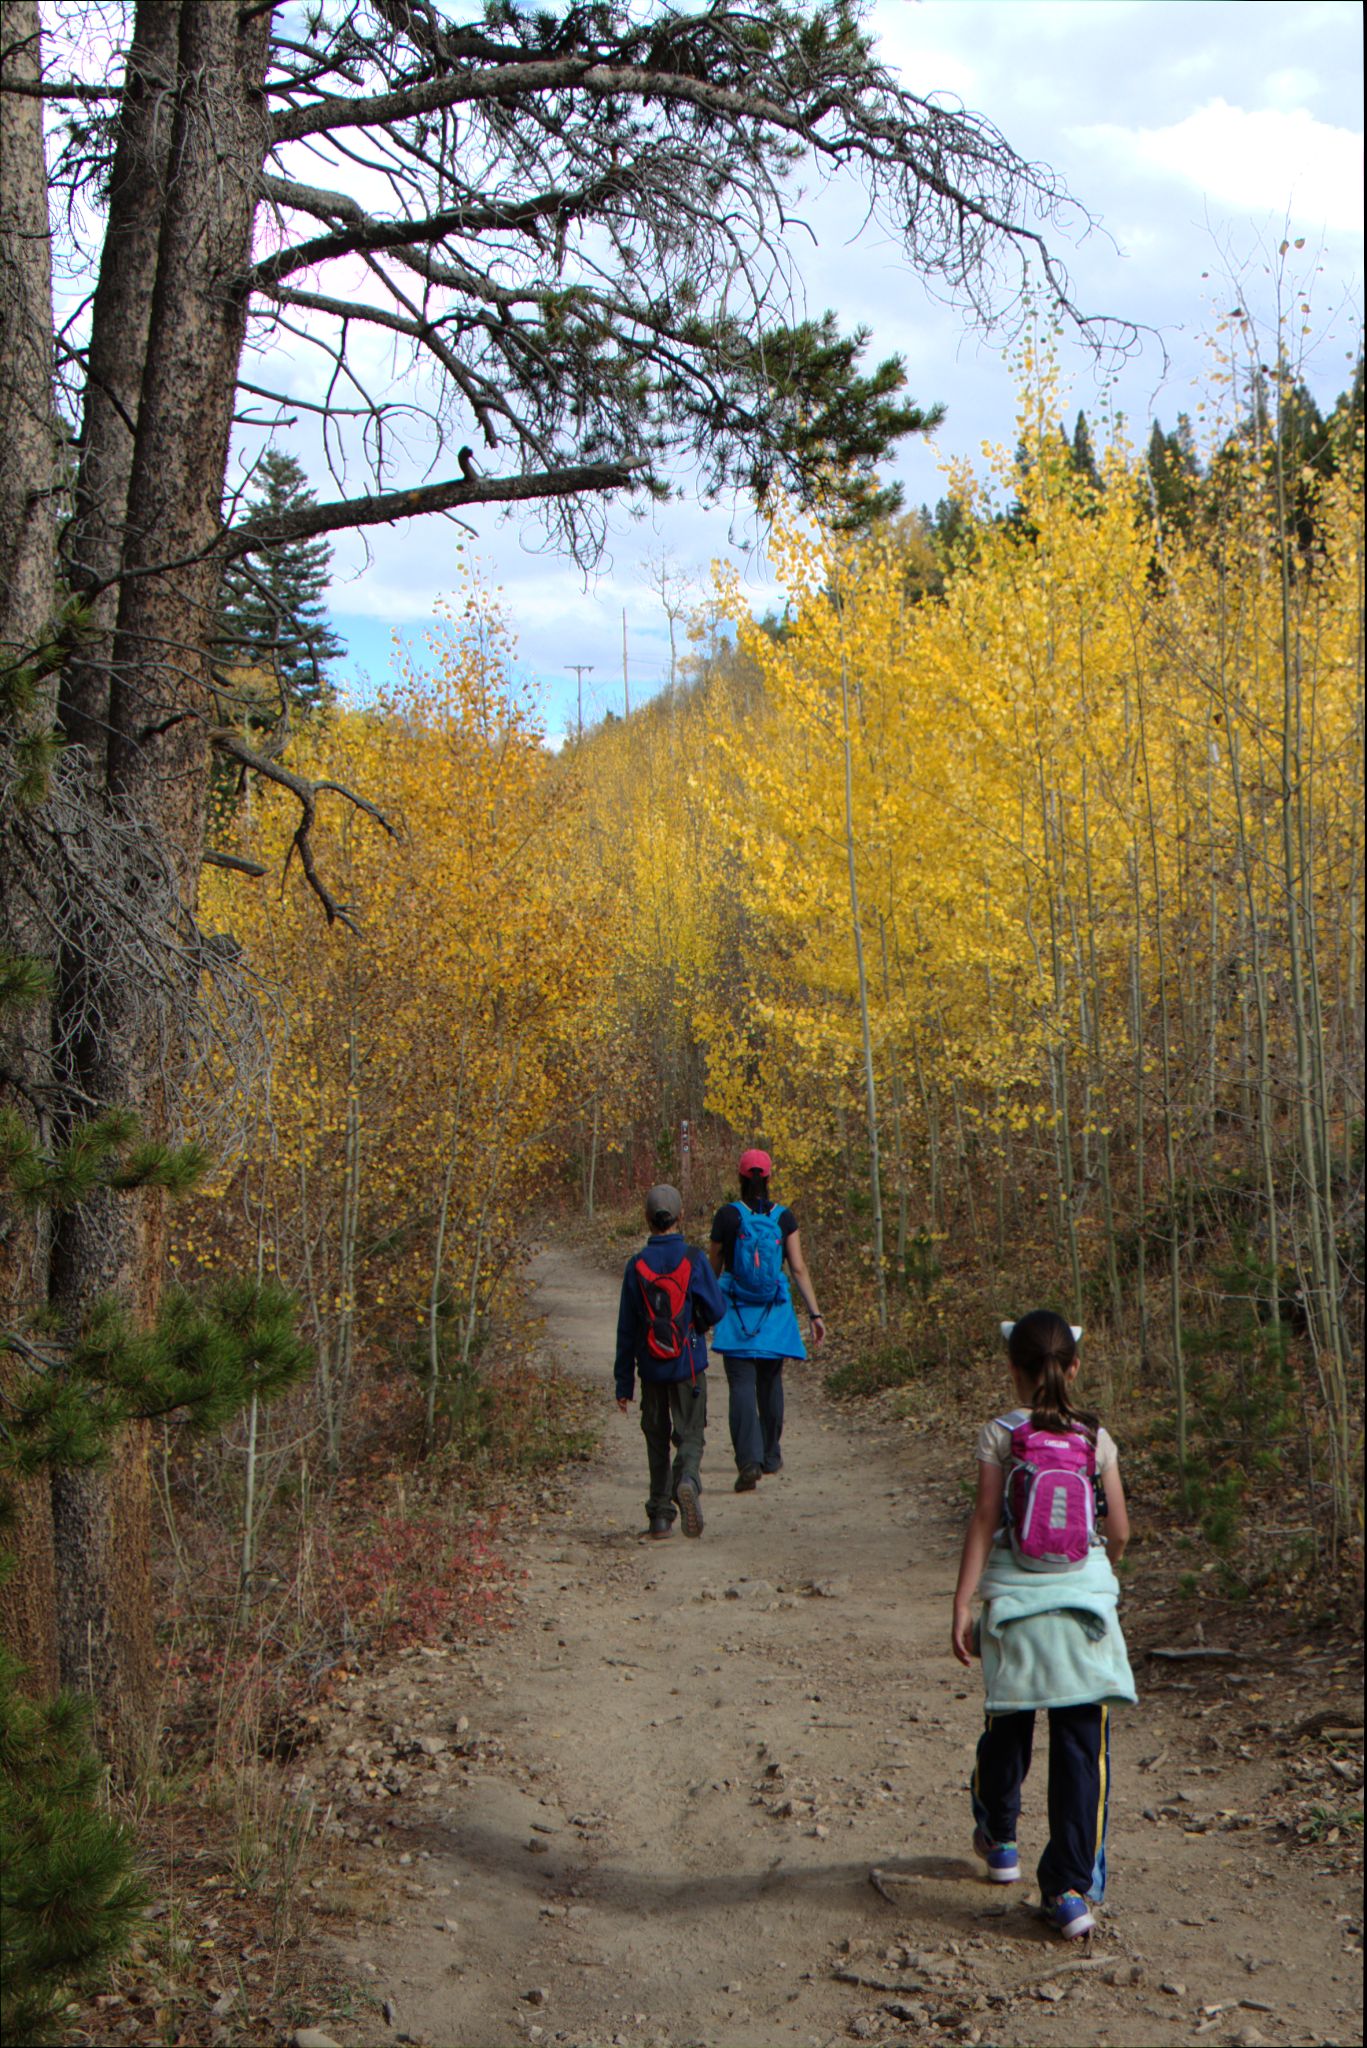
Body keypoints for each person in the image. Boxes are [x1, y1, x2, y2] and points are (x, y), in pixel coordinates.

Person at [950, 1310, 1136, 1940]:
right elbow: (1119, 1532)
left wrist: (963, 1604)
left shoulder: (999, 1433)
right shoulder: (1096, 1437)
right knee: (1083, 1747)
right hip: (1084, 1614)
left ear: (1013, 1371)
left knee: (1008, 1726)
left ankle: (1000, 1840)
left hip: (1013, 1611)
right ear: (1074, 1368)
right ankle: (1069, 1889)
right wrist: (1096, 1572)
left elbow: (982, 1519)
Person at [707, 1147, 824, 1493]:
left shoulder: (726, 1216)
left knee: (741, 1384)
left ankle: (749, 1460)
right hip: (774, 1312)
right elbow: (798, 1268)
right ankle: (771, 1455)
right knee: (770, 1382)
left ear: (740, 1178)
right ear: (769, 1178)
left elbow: (713, 1266)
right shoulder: (785, 1218)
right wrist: (815, 1313)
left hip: (736, 1311)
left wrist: (702, 1307)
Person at [614, 1183, 726, 1539]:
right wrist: (699, 1324)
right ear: (680, 1216)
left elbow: (626, 1330)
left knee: (656, 1437)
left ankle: (660, 1516)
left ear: (646, 1219)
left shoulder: (636, 1267)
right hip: (688, 1364)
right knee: (691, 1433)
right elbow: (717, 1308)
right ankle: (688, 1479)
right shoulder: (693, 1260)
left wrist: (623, 1383)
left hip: (650, 1367)